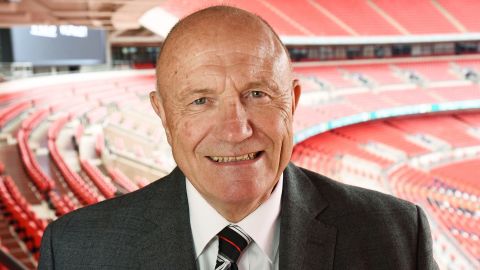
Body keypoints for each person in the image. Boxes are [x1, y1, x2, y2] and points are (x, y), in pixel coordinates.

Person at [38, 5, 438, 270]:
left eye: (258, 95)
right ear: (162, 115)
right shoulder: (76, 251)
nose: (236, 130)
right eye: (200, 101)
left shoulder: (397, 237)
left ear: (293, 102)